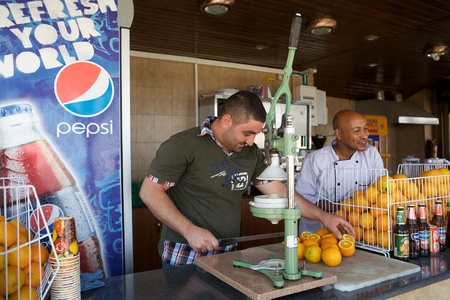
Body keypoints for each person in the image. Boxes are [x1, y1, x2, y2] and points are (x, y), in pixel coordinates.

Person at [139, 91, 354, 268]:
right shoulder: (183, 145)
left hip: (227, 251)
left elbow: (279, 190)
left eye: (256, 135)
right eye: (247, 133)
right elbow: (150, 192)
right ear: (226, 121)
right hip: (184, 251)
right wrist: (189, 230)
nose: (251, 142)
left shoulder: (250, 153)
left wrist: (324, 217)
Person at [295, 110, 385, 234]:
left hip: (359, 233)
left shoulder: (372, 155)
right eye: (357, 131)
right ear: (339, 134)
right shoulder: (315, 160)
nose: (365, 135)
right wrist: (341, 207)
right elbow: (301, 197)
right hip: (318, 234)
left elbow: (381, 192)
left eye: (365, 129)